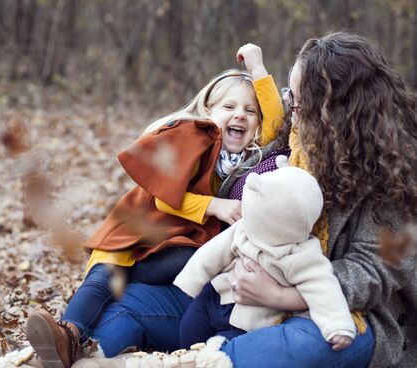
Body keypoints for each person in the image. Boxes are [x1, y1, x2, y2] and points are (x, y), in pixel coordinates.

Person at [74, 32, 416, 368]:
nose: (288, 107)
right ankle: (79, 354)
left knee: (304, 345)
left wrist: (282, 295)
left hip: (334, 313)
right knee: (130, 303)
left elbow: (372, 271)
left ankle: (198, 362)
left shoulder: (388, 172)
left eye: (296, 100)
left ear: (334, 110)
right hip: (234, 296)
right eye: (289, 96)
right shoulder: (287, 144)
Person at [26, 44, 285, 368]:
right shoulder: (195, 135)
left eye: (250, 111)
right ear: (207, 111)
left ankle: (85, 343)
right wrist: (216, 206)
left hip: (174, 241)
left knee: (162, 274)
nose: (240, 115)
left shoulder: (247, 159)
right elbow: (165, 195)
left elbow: (277, 124)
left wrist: (259, 69)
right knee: (105, 279)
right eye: (229, 106)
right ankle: (69, 334)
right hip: (136, 230)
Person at [174, 157, 355, 351]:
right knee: (189, 333)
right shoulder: (243, 228)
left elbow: (323, 288)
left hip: (251, 319)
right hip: (217, 294)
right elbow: (213, 252)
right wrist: (190, 280)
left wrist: (337, 325)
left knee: (225, 349)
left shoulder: (301, 254)